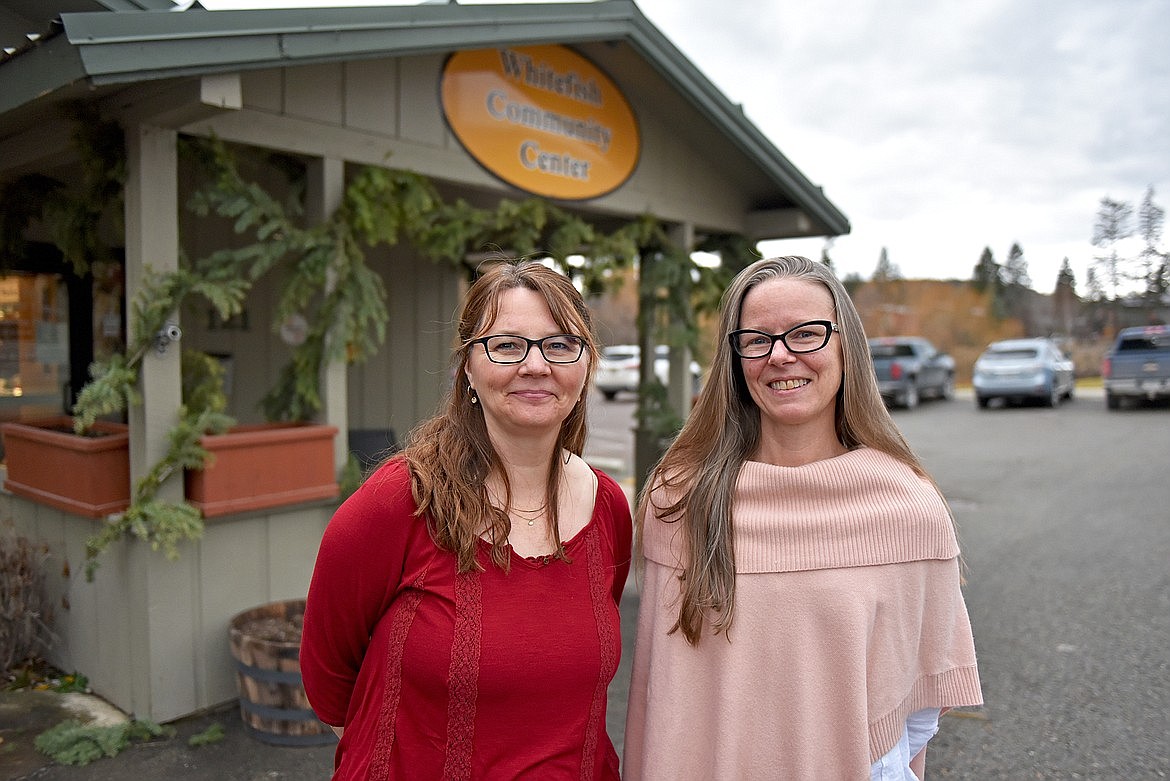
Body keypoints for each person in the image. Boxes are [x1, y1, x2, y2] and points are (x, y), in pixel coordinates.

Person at [623, 256, 982, 780]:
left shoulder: (907, 507)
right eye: (756, 339)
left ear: (845, 347)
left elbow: (914, 714)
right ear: (735, 359)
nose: (781, 356)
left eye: (806, 333)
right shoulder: (681, 501)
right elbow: (661, 695)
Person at [301, 260, 632, 780]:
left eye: (560, 344)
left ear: (585, 365)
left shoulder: (608, 508)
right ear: (468, 369)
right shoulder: (400, 501)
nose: (536, 365)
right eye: (506, 345)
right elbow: (327, 674)